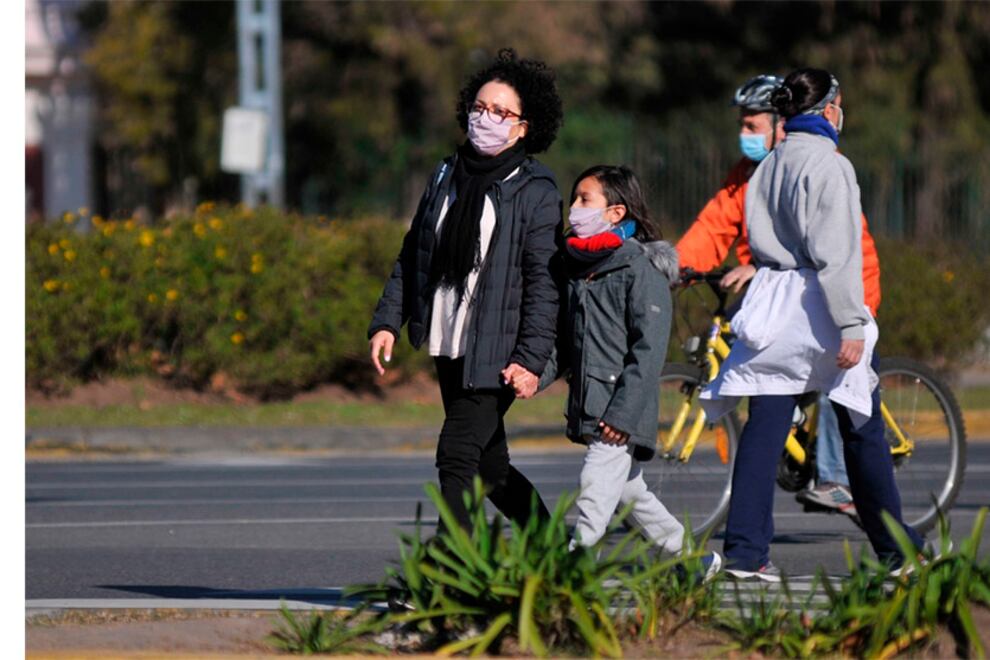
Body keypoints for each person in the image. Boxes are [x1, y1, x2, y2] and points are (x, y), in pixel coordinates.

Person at [700, 68, 924, 581]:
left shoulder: (768, 165)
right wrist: (850, 324)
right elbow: (837, 255)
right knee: (862, 428)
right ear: (829, 109)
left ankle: (745, 553)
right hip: (820, 305)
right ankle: (896, 552)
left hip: (773, 302)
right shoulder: (830, 165)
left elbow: (756, 240)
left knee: (765, 428)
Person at [368, 49, 563, 531]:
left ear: (523, 127)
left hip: (499, 350)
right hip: (448, 339)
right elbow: (414, 252)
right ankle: (554, 553)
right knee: (490, 470)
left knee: (455, 456)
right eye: (480, 107)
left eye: (501, 112)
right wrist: (387, 320)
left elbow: (545, 282)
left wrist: (531, 358)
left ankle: (447, 574)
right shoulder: (444, 174)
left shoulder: (535, 189)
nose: (486, 118)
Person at [676, 73, 887, 519]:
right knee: (770, 397)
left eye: (752, 126)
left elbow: (834, 250)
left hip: (845, 287)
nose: (743, 135)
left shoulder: (813, 165)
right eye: (741, 125)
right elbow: (713, 228)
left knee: (840, 391)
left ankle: (833, 477)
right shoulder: (750, 174)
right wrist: (675, 268)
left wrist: (850, 317)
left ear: (780, 123)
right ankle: (891, 543)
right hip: (783, 295)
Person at [536, 165, 720, 577]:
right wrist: (533, 377)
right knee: (630, 492)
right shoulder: (578, 267)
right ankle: (694, 560)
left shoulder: (640, 269)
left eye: (585, 200)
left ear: (616, 212)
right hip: (592, 403)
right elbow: (566, 343)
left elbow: (649, 350)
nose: (574, 209)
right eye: (575, 199)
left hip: (620, 410)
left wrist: (622, 414)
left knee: (595, 489)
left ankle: (576, 567)